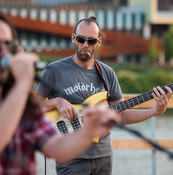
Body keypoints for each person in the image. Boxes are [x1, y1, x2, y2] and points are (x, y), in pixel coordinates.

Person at [34, 16, 172, 175]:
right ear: (73, 38)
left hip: (103, 157)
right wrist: (56, 102)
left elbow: (122, 115)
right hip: (71, 157)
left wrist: (156, 111)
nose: (85, 45)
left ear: (99, 42)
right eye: (80, 39)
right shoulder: (54, 70)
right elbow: (29, 106)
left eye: (91, 41)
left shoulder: (107, 73)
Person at [0, 11, 118, 175]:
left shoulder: (23, 106)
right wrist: (23, 84)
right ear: (73, 38)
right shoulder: (21, 94)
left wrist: (88, 130)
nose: (4, 52)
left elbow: (57, 148)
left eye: (9, 45)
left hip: (102, 155)